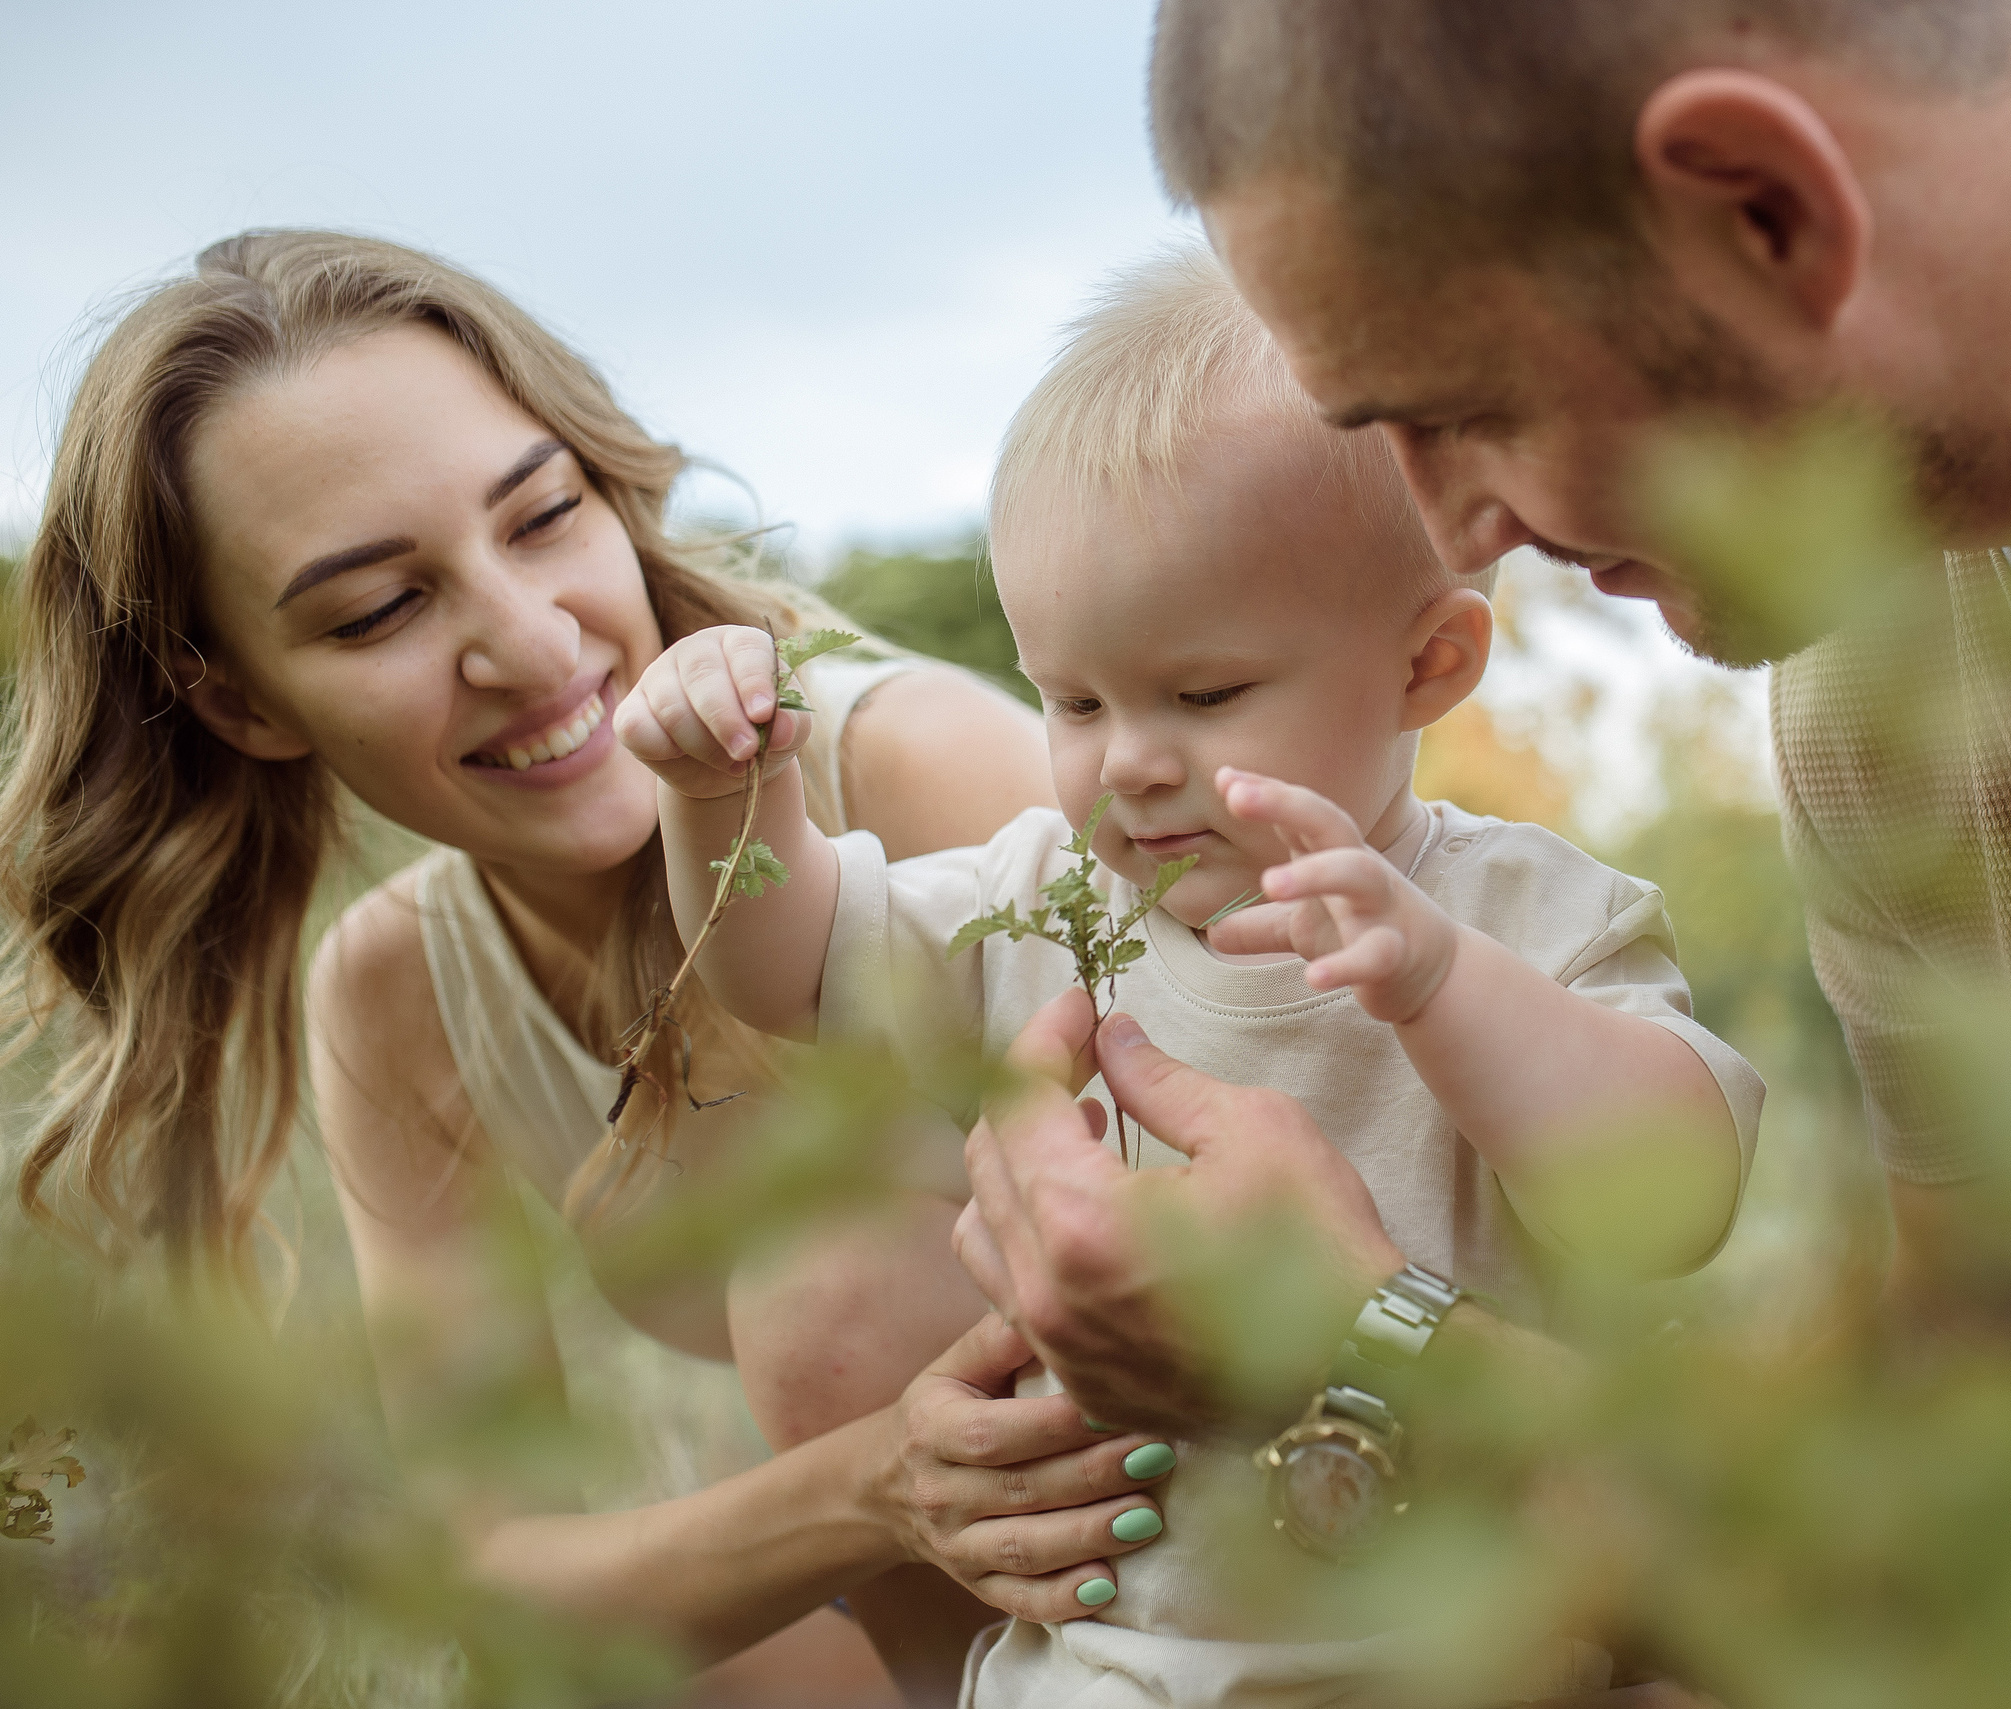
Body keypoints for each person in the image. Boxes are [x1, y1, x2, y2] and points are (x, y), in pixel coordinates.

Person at [954, 0, 2011, 1688]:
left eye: (1462, 409)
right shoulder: (1878, 652)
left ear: (1763, 207)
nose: (1452, 532)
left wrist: (1367, 1346)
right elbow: (1995, 1406)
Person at [0, 229, 1170, 1706]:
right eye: (379, 610)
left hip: (1231, 1546)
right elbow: (490, 1570)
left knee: (827, 1282)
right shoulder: (397, 988)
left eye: (542, 516)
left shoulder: (910, 773)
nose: (531, 641)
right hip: (955, 1617)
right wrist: (876, 1484)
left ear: (609, 492)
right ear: (242, 704)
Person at [620, 248, 1764, 1707]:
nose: (1130, 759)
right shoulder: (1043, 897)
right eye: (1073, 699)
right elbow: (784, 968)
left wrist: (1438, 983)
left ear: (1430, 664)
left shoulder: (1520, 914)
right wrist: (722, 797)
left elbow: (1673, 1193)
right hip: (1114, 1662)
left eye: (1206, 693)